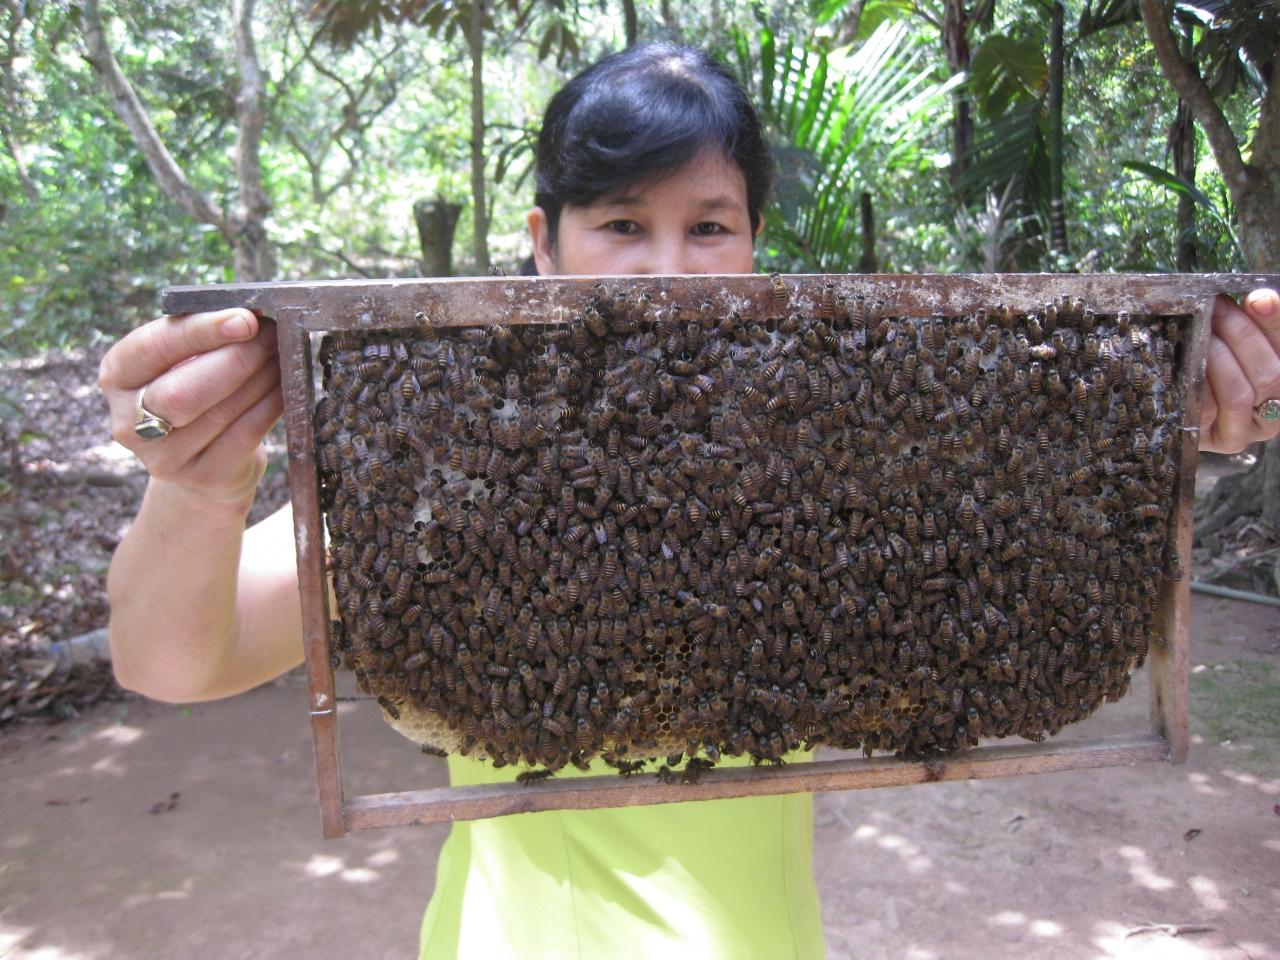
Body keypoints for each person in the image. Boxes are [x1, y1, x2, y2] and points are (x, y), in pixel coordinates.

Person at [98, 42, 1280, 960]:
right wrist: (197, 484)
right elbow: (171, 662)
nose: (666, 270)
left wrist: (1169, 422)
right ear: (543, 243)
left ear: (755, 242)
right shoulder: (455, 464)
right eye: (622, 224)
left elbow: (1016, 538)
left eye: (706, 227)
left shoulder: (829, 445)